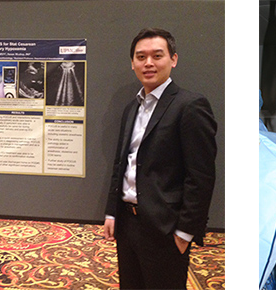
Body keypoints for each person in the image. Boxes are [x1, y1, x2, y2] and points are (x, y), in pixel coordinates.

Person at [100, 28, 218, 289]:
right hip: (127, 224)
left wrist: (185, 232)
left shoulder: (190, 106)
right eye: (141, 57)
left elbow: (201, 176)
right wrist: (112, 211)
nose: (148, 63)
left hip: (165, 228)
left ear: (173, 59)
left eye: (157, 55)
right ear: (132, 64)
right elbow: (122, 164)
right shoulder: (132, 108)